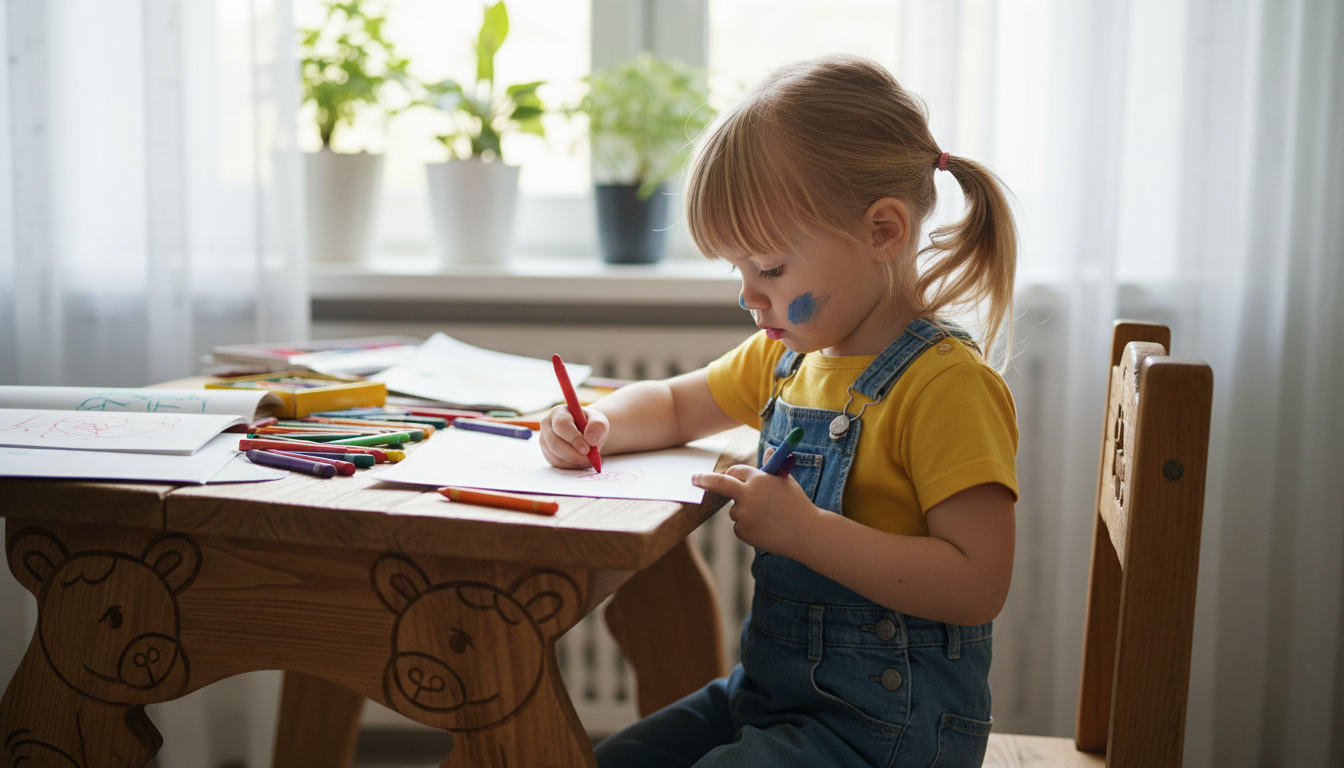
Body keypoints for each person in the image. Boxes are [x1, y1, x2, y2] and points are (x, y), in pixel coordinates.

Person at [541, 54, 1019, 768]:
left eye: (768, 268)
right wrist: (597, 424)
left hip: (889, 731)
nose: (748, 295)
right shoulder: (789, 357)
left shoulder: (946, 386)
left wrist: (808, 533)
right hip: (772, 694)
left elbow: (978, 583)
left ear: (883, 231)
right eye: (738, 271)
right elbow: (675, 404)